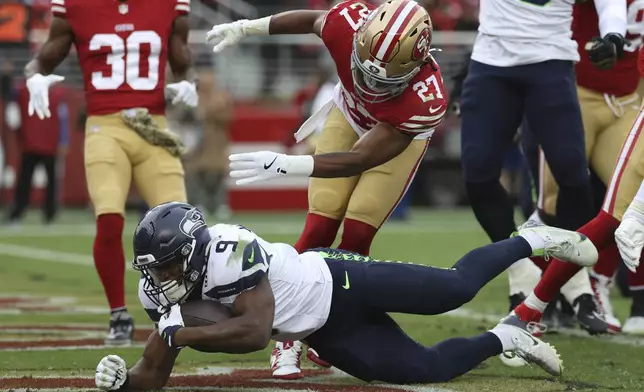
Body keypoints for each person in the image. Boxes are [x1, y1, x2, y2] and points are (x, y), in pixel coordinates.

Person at [94, 201, 600, 391]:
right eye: (153, 268)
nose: (159, 276)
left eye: (166, 264)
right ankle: (506, 336)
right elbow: (153, 373)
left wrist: (177, 332)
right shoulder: (162, 290)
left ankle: (532, 238)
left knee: (453, 287)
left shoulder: (230, 250)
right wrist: (123, 382)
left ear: (192, 252)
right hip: (323, 329)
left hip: (338, 280)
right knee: (422, 372)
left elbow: (251, 333)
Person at [207, 0, 447, 378]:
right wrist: (250, 27)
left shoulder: (424, 99)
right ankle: (285, 335)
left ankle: (339, 327)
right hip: (347, 115)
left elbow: (359, 160)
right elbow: (314, 20)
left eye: (382, 80)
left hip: (394, 141)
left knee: (356, 232)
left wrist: (290, 164)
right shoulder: (347, 24)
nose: (369, 82)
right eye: (364, 69)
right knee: (319, 227)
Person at [26, 0, 198, 345]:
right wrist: (34, 79)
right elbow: (42, 59)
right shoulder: (76, 6)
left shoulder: (167, 5)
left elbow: (181, 60)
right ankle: (119, 314)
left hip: (153, 125)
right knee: (109, 219)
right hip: (105, 126)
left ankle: (183, 308)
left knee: (186, 228)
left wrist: (187, 83)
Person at [458, 0, 627, 315]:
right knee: (477, 174)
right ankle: (521, 271)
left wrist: (613, 34)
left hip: (551, 62)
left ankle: (568, 282)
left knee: (573, 177)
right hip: (491, 63)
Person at [8, 82, 68, 225]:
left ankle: (27, 212)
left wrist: (63, 140)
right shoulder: (53, 94)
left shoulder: (26, 91)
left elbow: (63, 119)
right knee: (30, 181)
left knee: (33, 181)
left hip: (38, 144)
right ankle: (41, 213)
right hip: (39, 144)